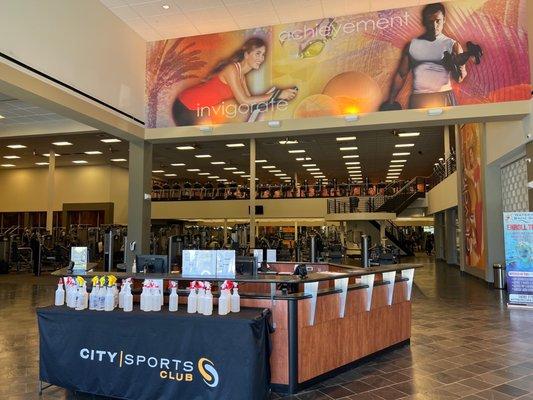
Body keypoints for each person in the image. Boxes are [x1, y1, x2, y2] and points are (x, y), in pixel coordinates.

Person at [173, 37, 297, 125]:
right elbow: (244, 100)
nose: (261, 58)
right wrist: (278, 94)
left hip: (196, 109)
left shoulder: (241, 77)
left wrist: (278, 97)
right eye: (258, 53)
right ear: (247, 54)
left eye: (263, 54)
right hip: (184, 105)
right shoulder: (231, 70)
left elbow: (251, 105)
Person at [384, 3, 467, 109]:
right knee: (417, 126)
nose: (434, 26)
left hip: (444, 97)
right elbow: (401, 75)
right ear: (424, 22)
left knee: (448, 126)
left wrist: (460, 66)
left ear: (444, 20)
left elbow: (460, 78)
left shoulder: (453, 45)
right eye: (430, 22)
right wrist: (391, 101)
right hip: (419, 98)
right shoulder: (412, 45)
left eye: (438, 21)